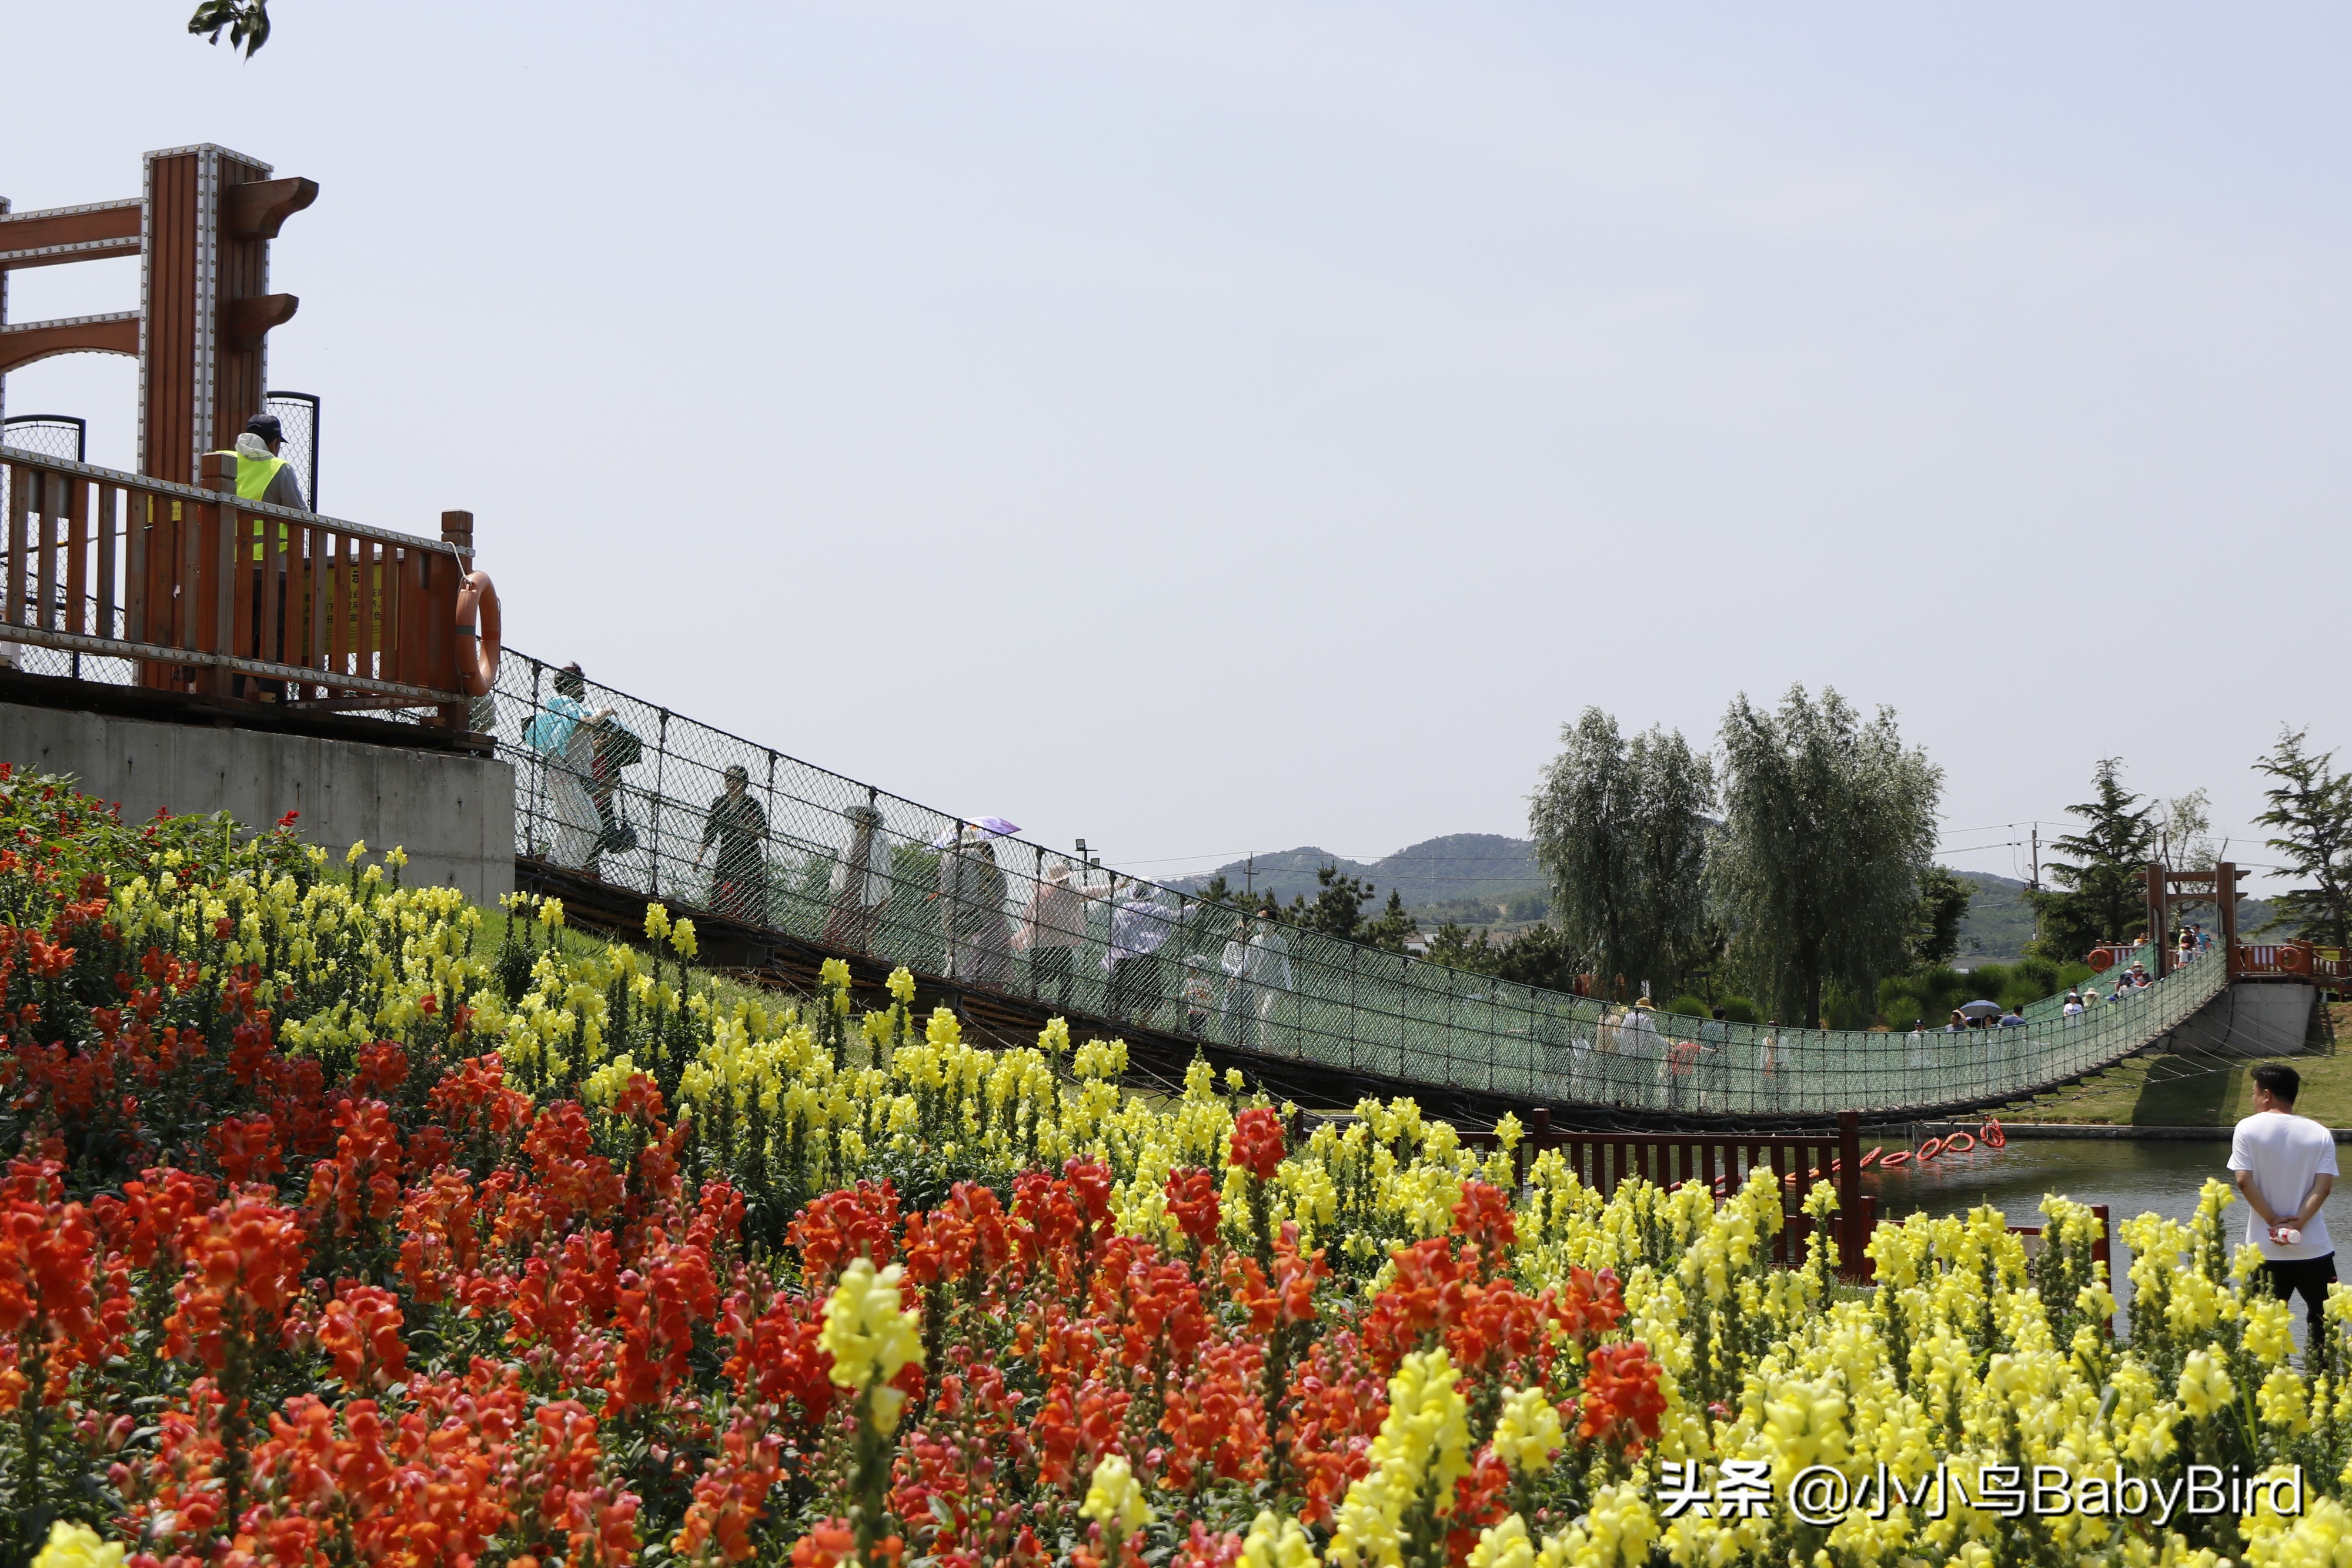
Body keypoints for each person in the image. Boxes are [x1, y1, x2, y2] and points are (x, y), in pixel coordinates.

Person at [2228, 1064, 2340, 1347]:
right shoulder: (2320, 1133)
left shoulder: (2246, 1129)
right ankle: (2321, 1383)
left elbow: (2243, 1181)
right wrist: (2296, 1224)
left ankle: (2268, 1385)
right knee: (2325, 1324)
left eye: (2253, 1094)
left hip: (2265, 1251)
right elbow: (2323, 1188)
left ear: (2266, 1095)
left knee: (2264, 1332)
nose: (2252, 1100)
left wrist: (2273, 1223)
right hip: (2314, 1250)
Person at [206, 413, 309, 700]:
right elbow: (301, 516)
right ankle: (270, 697)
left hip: (227, 566)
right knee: (271, 638)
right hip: (270, 568)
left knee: (231, 634)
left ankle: (230, 693)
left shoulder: (220, 459)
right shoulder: (279, 468)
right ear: (274, 442)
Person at [523, 664, 614, 872]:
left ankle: (553, 862)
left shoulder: (560, 708)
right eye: (581, 685)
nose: (584, 690)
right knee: (593, 826)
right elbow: (586, 720)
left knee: (569, 826)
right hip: (568, 777)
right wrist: (606, 711)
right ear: (573, 686)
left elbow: (572, 740)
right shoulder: (567, 705)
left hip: (561, 776)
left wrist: (598, 745)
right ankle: (568, 867)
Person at [936, 826, 1013, 987]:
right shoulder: (974, 854)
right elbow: (993, 872)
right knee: (966, 947)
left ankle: (950, 975)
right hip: (967, 907)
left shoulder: (946, 856)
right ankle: (962, 981)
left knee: (952, 945)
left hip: (947, 905)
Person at [693, 764, 767, 922]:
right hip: (726, 855)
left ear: (744, 783)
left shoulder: (753, 804)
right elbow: (710, 833)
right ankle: (719, 921)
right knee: (722, 892)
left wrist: (747, 828)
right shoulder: (719, 803)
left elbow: (764, 832)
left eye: (735, 779)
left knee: (748, 895)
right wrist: (700, 856)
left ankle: (748, 923)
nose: (731, 782)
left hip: (749, 857)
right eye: (728, 778)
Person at [1017, 858, 1088, 1009]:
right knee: (1066, 974)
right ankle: (1063, 1002)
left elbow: (1028, 915)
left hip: (1040, 942)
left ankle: (1032, 996)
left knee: (1039, 973)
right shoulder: (1071, 893)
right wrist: (1115, 887)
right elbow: (1091, 891)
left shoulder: (1042, 892)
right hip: (1060, 942)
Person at [824, 804, 893, 955]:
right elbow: (841, 862)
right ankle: (844, 953)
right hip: (849, 885)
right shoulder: (851, 837)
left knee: (864, 926)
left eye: (864, 815)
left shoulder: (880, 839)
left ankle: (868, 957)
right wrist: (835, 887)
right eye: (859, 815)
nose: (860, 818)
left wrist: (886, 892)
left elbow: (885, 865)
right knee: (835, 925)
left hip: (869, 885)